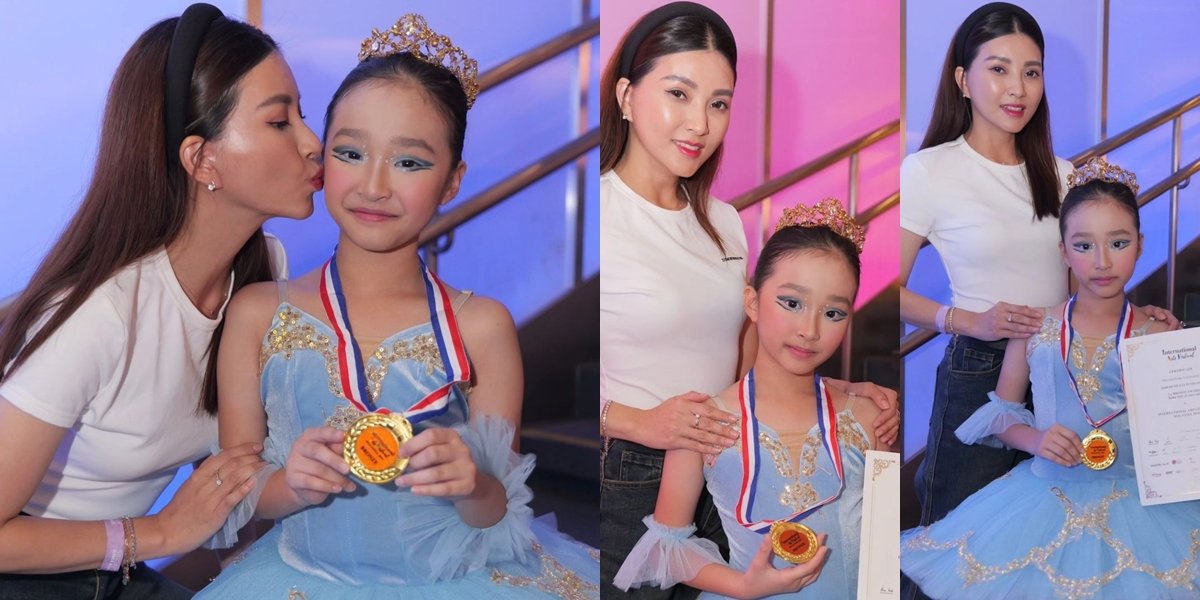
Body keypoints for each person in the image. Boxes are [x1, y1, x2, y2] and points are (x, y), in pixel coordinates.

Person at [195, 14, 599, 599]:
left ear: (453, 181)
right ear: (322, 159)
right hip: (301, 578)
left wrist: (472, 485)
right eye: (351, 152)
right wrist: (290, 484)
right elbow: (236, 490)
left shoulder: (481, 325)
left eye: (409, 162)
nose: (375, 185)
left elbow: (498, 516)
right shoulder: (257, 312)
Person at [0, 3, 321, 597]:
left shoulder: (264, 270)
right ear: (202, 159)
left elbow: (230, 470)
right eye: (281, 122)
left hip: (117, 577)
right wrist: (159, 532)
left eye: (304, 115)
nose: (312, 142)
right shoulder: (100, 314)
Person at [599, 3, 899, 595]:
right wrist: (639, 421)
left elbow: (746, 347)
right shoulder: (602, 217)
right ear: (628, 96)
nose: (700, 124)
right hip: (629, 466)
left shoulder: (725, 222)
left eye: (719, 103)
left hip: (730, 461)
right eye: (679, 94)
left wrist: (833, 392)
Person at [898, 1, 1175, 539]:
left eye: (1031, 72)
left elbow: (1087, 281)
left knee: (1050, 540)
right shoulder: (929, 170)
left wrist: (1135, 317)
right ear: (963, 79)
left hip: (1063, 368)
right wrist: (967, 321)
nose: (1017, 89)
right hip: (980, 373)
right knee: (962, 536)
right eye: (998, 69)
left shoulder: (1063, 173)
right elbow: (883, 292)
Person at [900, 158, 1200, 599]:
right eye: (1083, 245)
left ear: (1139, 245)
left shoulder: (1161, 334)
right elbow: (1001, 416)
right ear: (1062, 251)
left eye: (1117, 242)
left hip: (1142, 503)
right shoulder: (1036, 328)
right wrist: (1036, 440)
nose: (1101, 261)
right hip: (1044, 496)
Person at [613, 199, 886, 598]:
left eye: (833, 313)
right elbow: (665, 547)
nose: (810, 330)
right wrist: (742, 585)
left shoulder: (871, 416)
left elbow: (882, 551)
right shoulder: (703, 422)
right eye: (792, 303)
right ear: (753, 303)